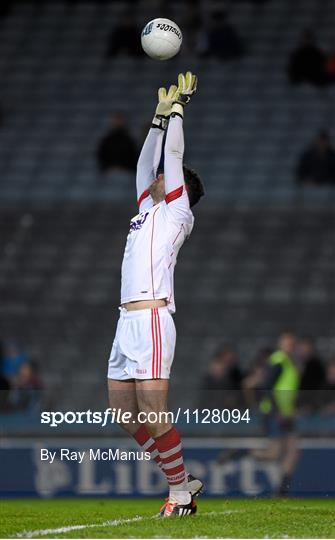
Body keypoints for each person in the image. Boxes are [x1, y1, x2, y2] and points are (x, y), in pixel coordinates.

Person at [107, 72, 205, 517]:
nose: (160, 175)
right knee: (125, 414)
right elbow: (145, 166)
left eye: (170, 175)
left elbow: (174, 155)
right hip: (126, 320)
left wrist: (180, 109)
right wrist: (157, 119)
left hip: (151, 319)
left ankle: (180, 495)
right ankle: (180, 479)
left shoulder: (177, 213)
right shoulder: (148, 209)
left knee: (153, 409)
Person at [220, 332, 300, 496]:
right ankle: (244, 452)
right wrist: (277, 410)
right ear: (281, 344)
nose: (290, 346)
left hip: (286, 413)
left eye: (292, 343)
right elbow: (267, 387)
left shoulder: (289, 363)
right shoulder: (279, 362)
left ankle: (282, 492)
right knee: (274, 453)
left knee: (293, 451)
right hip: (274, 413)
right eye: (287, 343)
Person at [200, 345, 243, 409]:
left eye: (231, 359)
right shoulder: (210, 377)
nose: (229, 361)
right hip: (212, 409)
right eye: (227, 357)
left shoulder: (235, 374)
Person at [296, 338, 325, 412]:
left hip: (312, 406)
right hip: (297, 404)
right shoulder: (294, 363)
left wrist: (313, 405)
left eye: (307, 348)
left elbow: (320, 386)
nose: (304, 351)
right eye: (302, 349)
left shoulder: (317, 365)